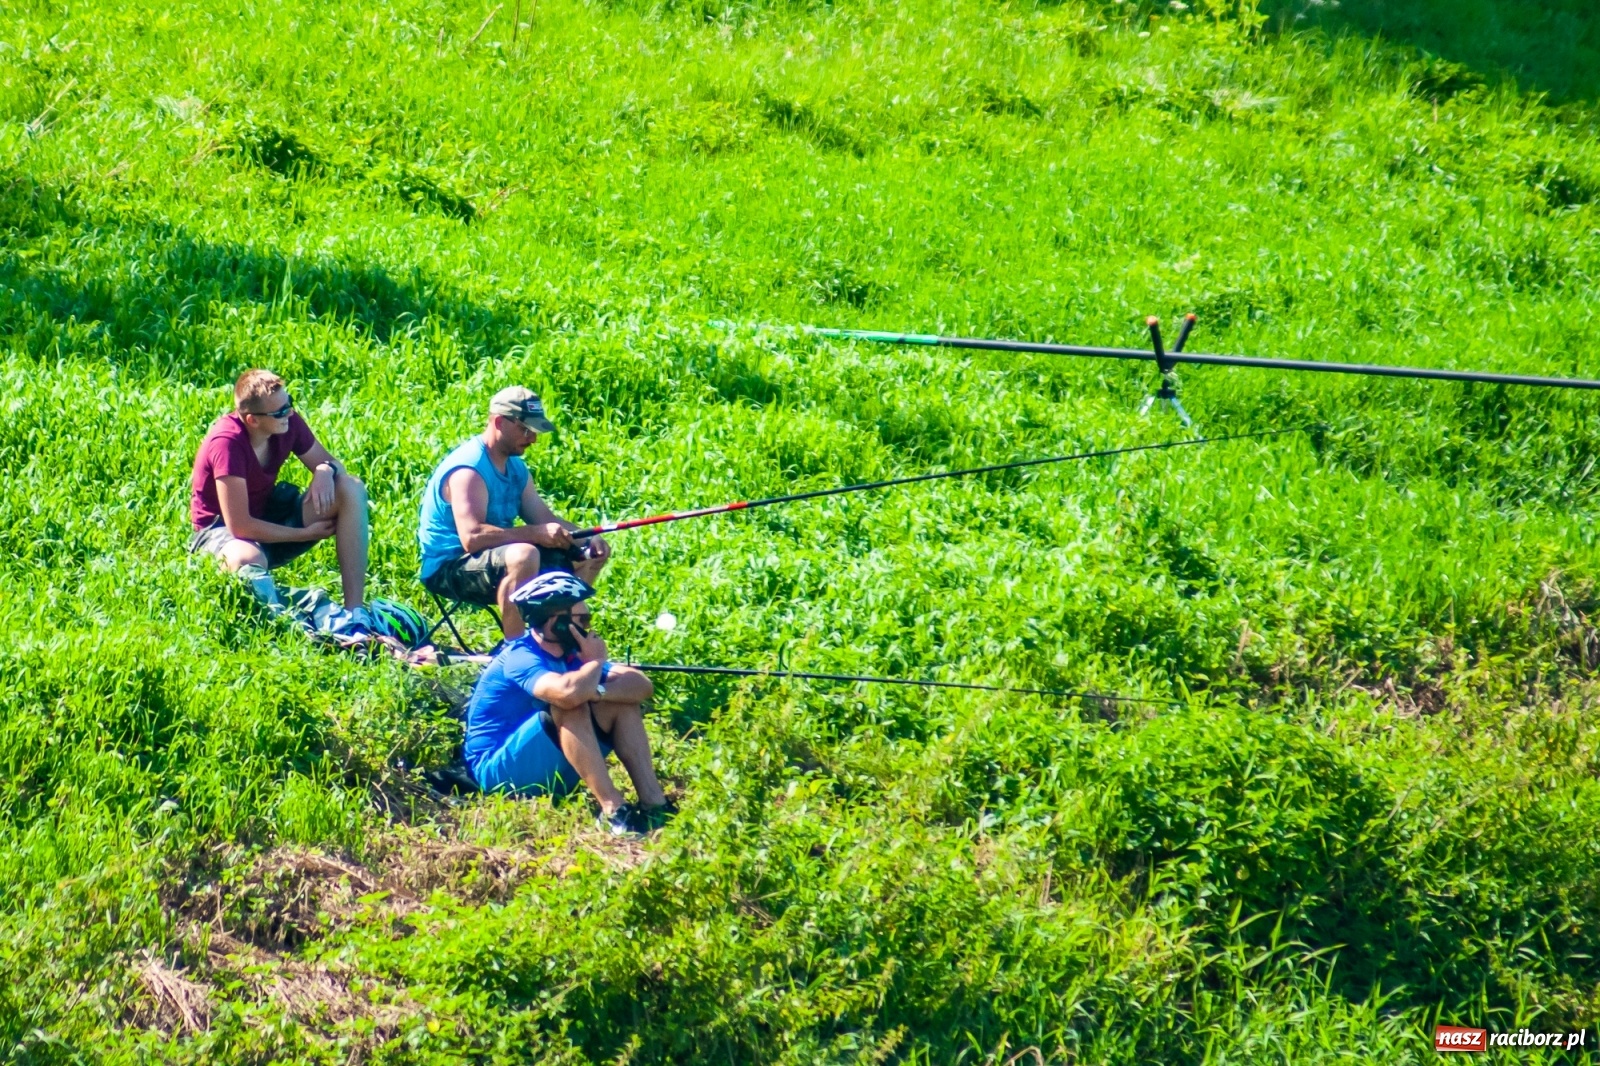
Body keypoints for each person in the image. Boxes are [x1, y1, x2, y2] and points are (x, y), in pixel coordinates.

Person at [462, 572, 672, 836]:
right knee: (569, 704)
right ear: (558, 622)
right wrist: (595, 664)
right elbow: (567, 694)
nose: (589, 627)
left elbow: (641, 686)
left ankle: (655, 805)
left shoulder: (572, 654)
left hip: (537, 759)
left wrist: (597, 691)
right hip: (495, 772)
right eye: (583, 619)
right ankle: (613, 810)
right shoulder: (520, 656)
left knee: (621, 702)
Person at [417, 387, 610, 640]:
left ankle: (558, 639)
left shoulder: (516, 469)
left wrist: (587, 539)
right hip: (449, 566)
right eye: (525, 430)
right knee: (524, 554)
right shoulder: (469, 470)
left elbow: (545, 519)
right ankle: (517, 653)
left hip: (492, 557)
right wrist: (535, 534)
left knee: (584, 555)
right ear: (499, 422)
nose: (533, 439)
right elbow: (472, 538)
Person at [189, 369, 370, 611]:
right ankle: (283, 620)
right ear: (253, 419)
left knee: (350, 488)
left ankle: (354, 611)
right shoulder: (227, 443)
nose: (290, 413)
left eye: (290, 404)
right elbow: (240, 526)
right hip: (219, 533)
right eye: (280, 412)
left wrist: (325, 471)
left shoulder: (287, 423)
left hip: (266, 514)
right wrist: (304, 534)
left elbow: (334, 464)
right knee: (249, 558)